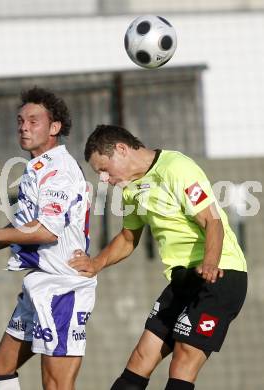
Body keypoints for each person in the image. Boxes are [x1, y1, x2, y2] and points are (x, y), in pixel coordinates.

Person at [69, 124, 247, 390]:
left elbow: (212, 221)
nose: (103, 179)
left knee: (183, 359)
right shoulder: (130, 189)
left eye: (104, 169)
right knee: (141, 357)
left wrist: (210, 262)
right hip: (183, 279)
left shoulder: (176, 168)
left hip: (220, 274)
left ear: (121, 149)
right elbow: (129, 238)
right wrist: (95, 264)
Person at [0, 87, 96, 390]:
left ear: (55, 128)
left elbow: (47, 230)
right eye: (20, 120)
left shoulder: (59, 170)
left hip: (62, 287)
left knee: (55, 385)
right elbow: (26, 225)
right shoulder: (36, 168)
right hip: (39, 284)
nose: (23, 127)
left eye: (33, 120)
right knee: (1, 365)